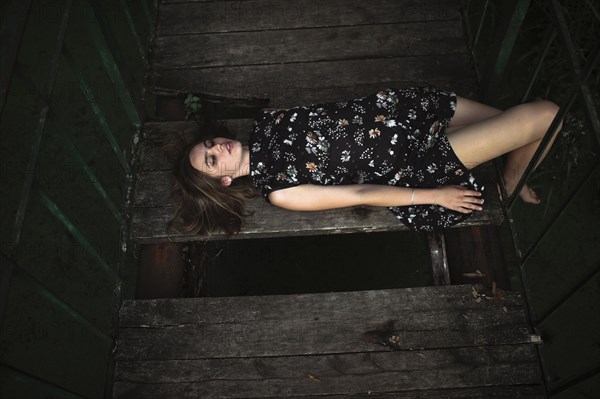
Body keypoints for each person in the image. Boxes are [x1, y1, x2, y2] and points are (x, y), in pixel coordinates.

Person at [168, 87, 561, 235]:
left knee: (520, 127)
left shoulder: (266, 121)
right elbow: (358, 192)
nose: (218, 148)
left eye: (210, 144)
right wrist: (434, 196)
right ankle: (511, 180)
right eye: (211, 161)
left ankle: (513, 171)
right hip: (417, 160)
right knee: (544, 116)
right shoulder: (280, 193)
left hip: (412, 109)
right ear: (223, 182)